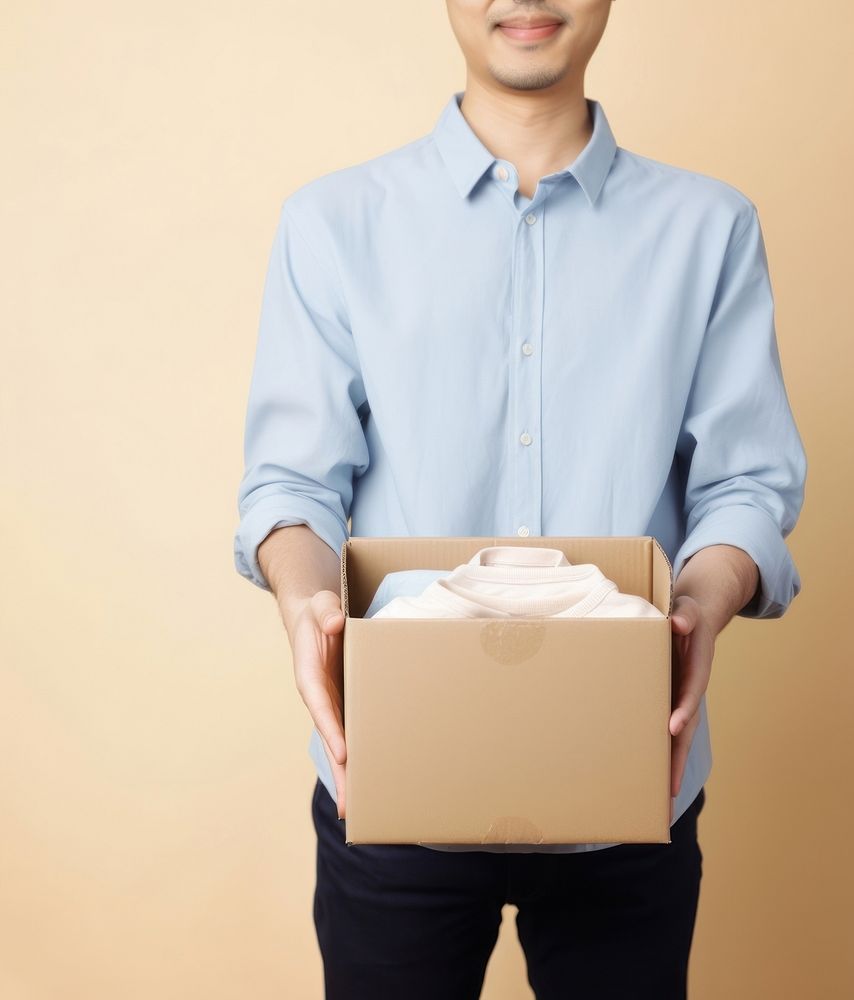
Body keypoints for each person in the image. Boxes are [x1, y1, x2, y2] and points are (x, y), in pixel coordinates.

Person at [233, 1, 807, 996]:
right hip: (392, 773)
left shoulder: (708, 229)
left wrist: (701, 605)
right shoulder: (333, 224)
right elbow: (290, 484)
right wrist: (306, 601)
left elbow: (744, 484)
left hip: (629, 776)